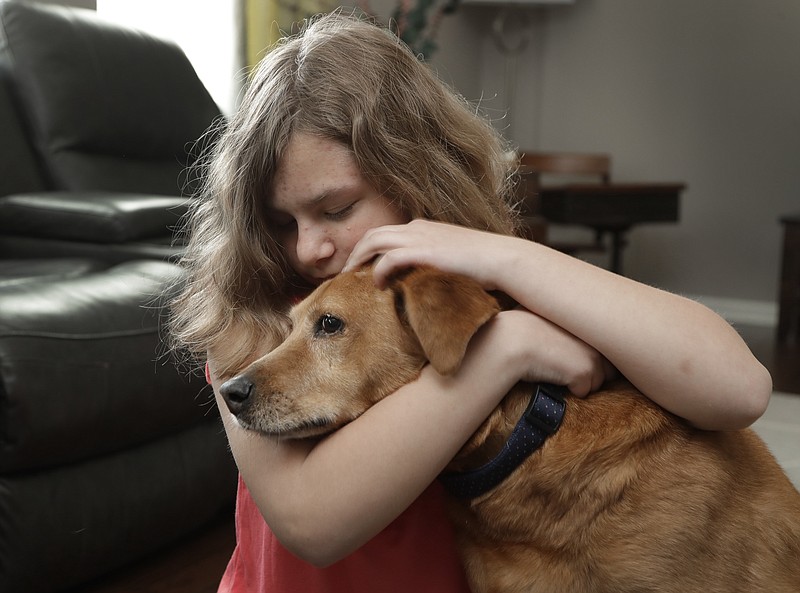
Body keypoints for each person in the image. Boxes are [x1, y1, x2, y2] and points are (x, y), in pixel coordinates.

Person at [168, 12, 772, 593]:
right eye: (279, 220)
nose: (308, 247)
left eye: (336, 210)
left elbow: (739, 390)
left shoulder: (474, 288)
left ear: (415, 177)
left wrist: (502, 256)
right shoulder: (254, 316)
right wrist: (508, 348)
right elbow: (311, 524)